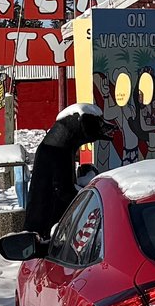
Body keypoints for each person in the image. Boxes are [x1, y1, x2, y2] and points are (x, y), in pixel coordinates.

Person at [20, 102, 111, 241]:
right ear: (81, 122)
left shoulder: (57, 145)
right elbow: (63, 191)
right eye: (97, 123)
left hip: (46, 225)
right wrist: (90, 197)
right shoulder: (56, 151)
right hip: (48, 232)